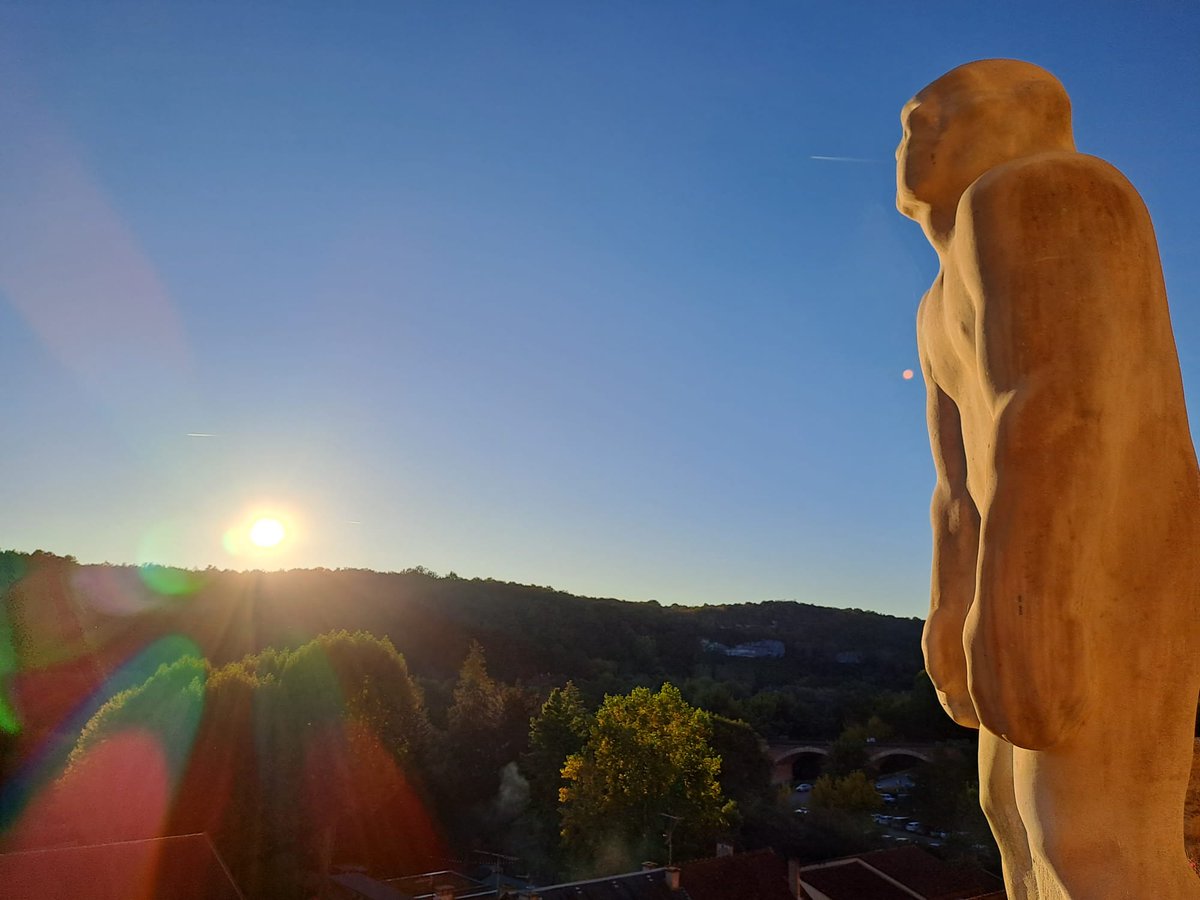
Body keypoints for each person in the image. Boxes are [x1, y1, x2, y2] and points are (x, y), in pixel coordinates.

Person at [898, 59, 1200, 899]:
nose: (917, 138)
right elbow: (955, 487)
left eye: (942, 117)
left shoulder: (1051, 191)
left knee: (1094, 843)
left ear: (1024, 121)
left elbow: (1060, 411)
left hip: (1106, 572)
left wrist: (1028, 612)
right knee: (1013, 818)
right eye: (912, 124)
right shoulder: (933, 302)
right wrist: (950, 613)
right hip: (1021, 585)